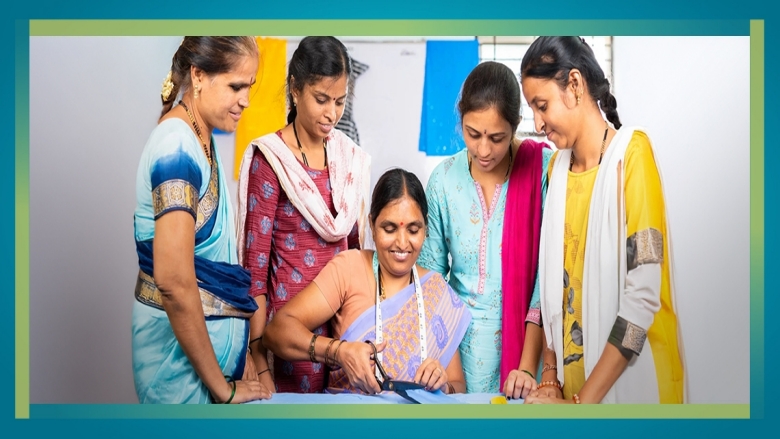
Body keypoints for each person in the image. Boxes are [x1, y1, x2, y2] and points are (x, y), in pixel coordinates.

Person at [520, 36, 686, 404]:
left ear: (574, 85)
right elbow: (553, 288)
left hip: (631, 390)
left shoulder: (633, 156)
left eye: (541, 105)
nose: (536, 122)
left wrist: (582, 407)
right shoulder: (556, 169)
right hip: (572, 392)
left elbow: (643, 299)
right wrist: (550, 376)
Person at [132, 37, 271, 403]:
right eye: (236, 86)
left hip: (205, 367)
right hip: (178, 371)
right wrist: (222, 388)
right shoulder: (176, 147)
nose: (246, 100)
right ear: (198, 76)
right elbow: (175, 283)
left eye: (250, 87)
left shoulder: (198, 136)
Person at [236, 36, 371, 394]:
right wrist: (260, 361)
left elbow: (356, 254)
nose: (332, 114)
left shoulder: (346, 160)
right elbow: (254, 271)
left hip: (346, 329)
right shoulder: (272, 160)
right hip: (289, 337)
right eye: (321, 99)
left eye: (340, 102)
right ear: (295, 90)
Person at [263, 169, 471, 396]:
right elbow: (277, 332)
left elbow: (458, 386)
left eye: (413, 230)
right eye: (389, 229)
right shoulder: (349, 268)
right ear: (372, 224)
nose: (402, 243)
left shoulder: (437, 292)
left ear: (426, 229)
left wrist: (443, 385)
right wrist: (338, 352)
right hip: (352, 426)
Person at [418, 61, 553, 398]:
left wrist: (525, 366)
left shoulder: (543, 172)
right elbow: (431, 277)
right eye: (472, 133)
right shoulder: (443, 180)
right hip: (454, 350)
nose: (483, 150)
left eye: (497, 138)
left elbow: (546, 278)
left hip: (526, 351)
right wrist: (445, 363)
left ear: (516, 125)